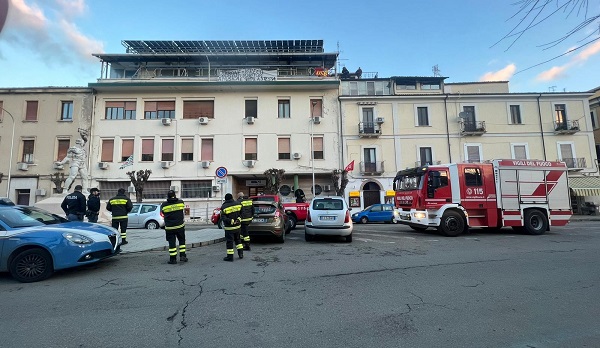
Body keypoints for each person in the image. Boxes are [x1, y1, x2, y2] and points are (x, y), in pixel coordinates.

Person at [56, 129, 89, 194]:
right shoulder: (73, 149)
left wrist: (83, 134)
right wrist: (62, 162)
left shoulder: (82, 150)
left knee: (85, 177)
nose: (83, 144)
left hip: (82, 164)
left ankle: (84, 190)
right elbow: (68, 157)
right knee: (72, 176)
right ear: (80, 143)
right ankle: (65, 190)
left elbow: (86, 140)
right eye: (82, 143)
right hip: (75, 162)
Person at [161, 190, 188, 264]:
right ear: (175, 195)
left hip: (170, 228)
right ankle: (183, 256)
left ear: (168, 196)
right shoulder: (180, 202)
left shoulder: (164, 205)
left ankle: (173, 259)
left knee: (172, 243)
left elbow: (163, 212)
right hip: (180, 226)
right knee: (182, 241)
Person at [220, 193, 244, 262]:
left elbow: (223, 217)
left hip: (229, 228)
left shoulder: (224, 206)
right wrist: (238, 220)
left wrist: (231, 221)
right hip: (237, 227)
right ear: (232, 197)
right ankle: (241, 254)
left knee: (229, 242)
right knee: (238, 240)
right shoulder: (238, 204)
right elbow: (242, 213)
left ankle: (230, 257)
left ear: (226, 199)